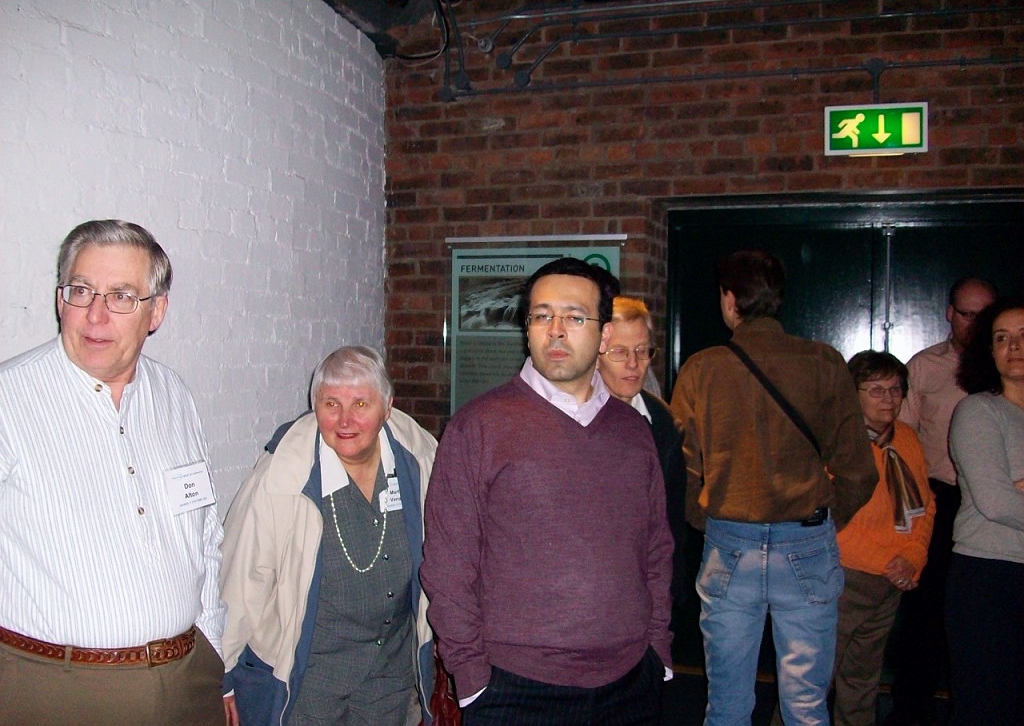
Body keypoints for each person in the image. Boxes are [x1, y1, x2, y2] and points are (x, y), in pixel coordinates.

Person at [421, 257, 673, 726]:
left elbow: (656, 549)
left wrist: (658, 648)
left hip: (630, 681)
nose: (555, 330)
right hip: (515, 688)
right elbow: (448, 564)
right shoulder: (479, 427)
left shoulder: (634, 430)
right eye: (541, 316)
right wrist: (471, 677)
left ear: (603, 335)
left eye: (574, 317)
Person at [0, 220, 228, 725]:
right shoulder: (9, 399)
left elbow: (203, 533)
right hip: (55, 691)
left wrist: (213, 649)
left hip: (187, 682)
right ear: (60, 299)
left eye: (121, 296)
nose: (96, 315)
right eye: (81, 291)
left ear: (156, 312)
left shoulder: (174, 396)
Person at [669, 248, 876, 726]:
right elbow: (859, 472)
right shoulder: (823, 362)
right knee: (806, 706)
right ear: (777, 298)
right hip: (807, 541)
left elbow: (680, 466)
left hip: (730, 542)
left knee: (726, 705)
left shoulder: (702, 369)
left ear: (729, 300)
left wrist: (705, 516)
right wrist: (824, 521)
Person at [219, 345, 437, 726]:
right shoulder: (282, 476)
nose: (345, 420)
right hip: (306, 685)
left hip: (389, 682)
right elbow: (241, 578)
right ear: (314, 405)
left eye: (360, 404)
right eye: (331, 404)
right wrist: (223, 674)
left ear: (387, 408)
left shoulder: (418, 460)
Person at [887, 276, 996, 726]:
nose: (974, 323)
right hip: (940, 497)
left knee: (984, 614)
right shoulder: (925, 367)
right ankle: (912, 712)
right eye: (966, 313)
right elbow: (900, 439)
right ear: (950, 313)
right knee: (924, 611)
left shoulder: (1006, 366)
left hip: (995, 504)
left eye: (983, 314)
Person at [831, 351, 935, 726]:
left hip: (891, 581)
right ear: (852, 393)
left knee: (863, 681)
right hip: (844, 577)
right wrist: (889, 563)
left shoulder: (906, 438)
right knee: (811, 680)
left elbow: (926, 504)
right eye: (876, 390)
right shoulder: (837, 441)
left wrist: (914, 557)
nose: (888, 399)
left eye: (895, 389)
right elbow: (828, 518)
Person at [944, 297, 1024, 726]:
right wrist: (1011, 490)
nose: (1014, 346)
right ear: (989, 352)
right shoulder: (978, 411)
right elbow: (996, 502)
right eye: (1002, 338)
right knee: (987, 708)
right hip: (989, 577)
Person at [596, 296, 687, 622]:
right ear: (595, 354)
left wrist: (670, 594)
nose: (634, 364)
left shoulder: (662, 421)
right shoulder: (570, 420)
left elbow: (671, 518)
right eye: (620, 352)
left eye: (642, 351)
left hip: (644, 591)